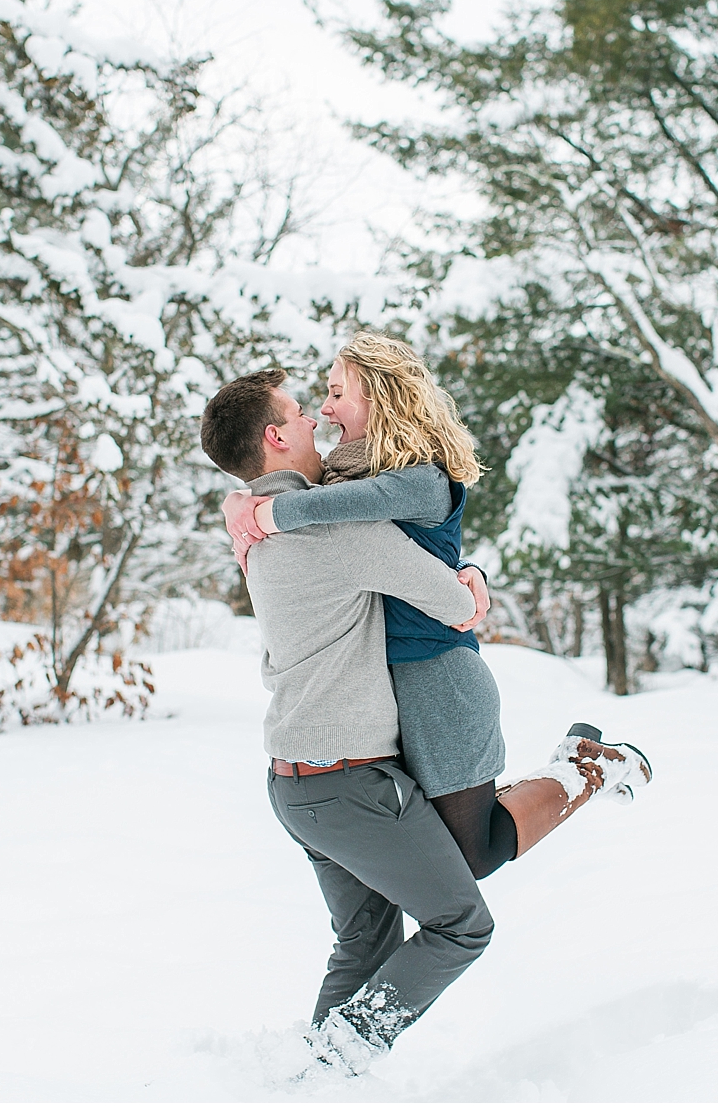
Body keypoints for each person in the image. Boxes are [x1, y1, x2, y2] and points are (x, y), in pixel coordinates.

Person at [223, 332, 652, 880]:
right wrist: (238, 495)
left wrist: (260, 514)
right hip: (386, 692)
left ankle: (586, 768)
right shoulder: (348, 472)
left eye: (335, 393)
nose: (325, 409)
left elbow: (336, 508)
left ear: (378, 396)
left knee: (469, 855)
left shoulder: (422, 478)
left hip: (438, 677)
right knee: (440, 842)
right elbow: (295, 484)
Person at [198, 367, 497, 1073]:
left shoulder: (253, 529)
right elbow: (452, 603)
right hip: (350, 782)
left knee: (363, 942)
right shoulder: (336, 530)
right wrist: (474, 576)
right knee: (461, 924)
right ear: (275, 436)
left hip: (295, 786)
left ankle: (317, 1077)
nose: (313, 422)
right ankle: (345, 1048)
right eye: (299, 413)